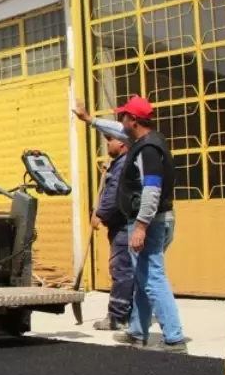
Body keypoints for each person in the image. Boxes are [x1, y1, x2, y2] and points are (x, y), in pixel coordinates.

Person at [74, 95, 187, 352]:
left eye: (124, 116)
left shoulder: (147, 150)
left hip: (150, 222)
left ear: (133, 120)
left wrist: (141, 226)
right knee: (143, 276)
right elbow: (114, 130)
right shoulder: (144, 141)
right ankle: (137, 332)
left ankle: (174, 337)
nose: (120, 121)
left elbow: (152, 190)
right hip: (153, 220)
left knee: (153, 277)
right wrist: (89, 120)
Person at [89, 133, 134, 331]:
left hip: (123, 226)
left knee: (121, 269)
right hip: (124, 225)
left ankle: (117, 316)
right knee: (131, 270)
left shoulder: (123, 165)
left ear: (122, 143)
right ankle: (134, 313)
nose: (107, 143)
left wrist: (99, 213)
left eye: (110, 140)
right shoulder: (121, 163)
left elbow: (114, 194)